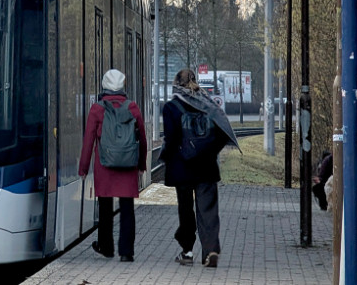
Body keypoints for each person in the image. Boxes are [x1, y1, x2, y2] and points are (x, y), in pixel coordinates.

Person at [160, 68, 239, 268]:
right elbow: (222, 133)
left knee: (185, 210)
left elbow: (171, 140)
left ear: (176, 85)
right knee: (208, 210)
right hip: (206, 167)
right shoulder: (208, 104)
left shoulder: (171, 107)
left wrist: (167, 158)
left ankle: (187, 252)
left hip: (182, 167)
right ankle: (211, 249)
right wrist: (209, 151)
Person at [78, 68, 148, 262]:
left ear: (104, 86)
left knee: (105, 208)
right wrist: (141, 164)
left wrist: (83, 169)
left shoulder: (97, 109)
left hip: (105, 165)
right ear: (122, 86)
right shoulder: (132, 107)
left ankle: (106, 247)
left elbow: (88, 141)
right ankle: (126, 252)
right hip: (128, 165)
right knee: (127, 209)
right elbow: (141, 139)